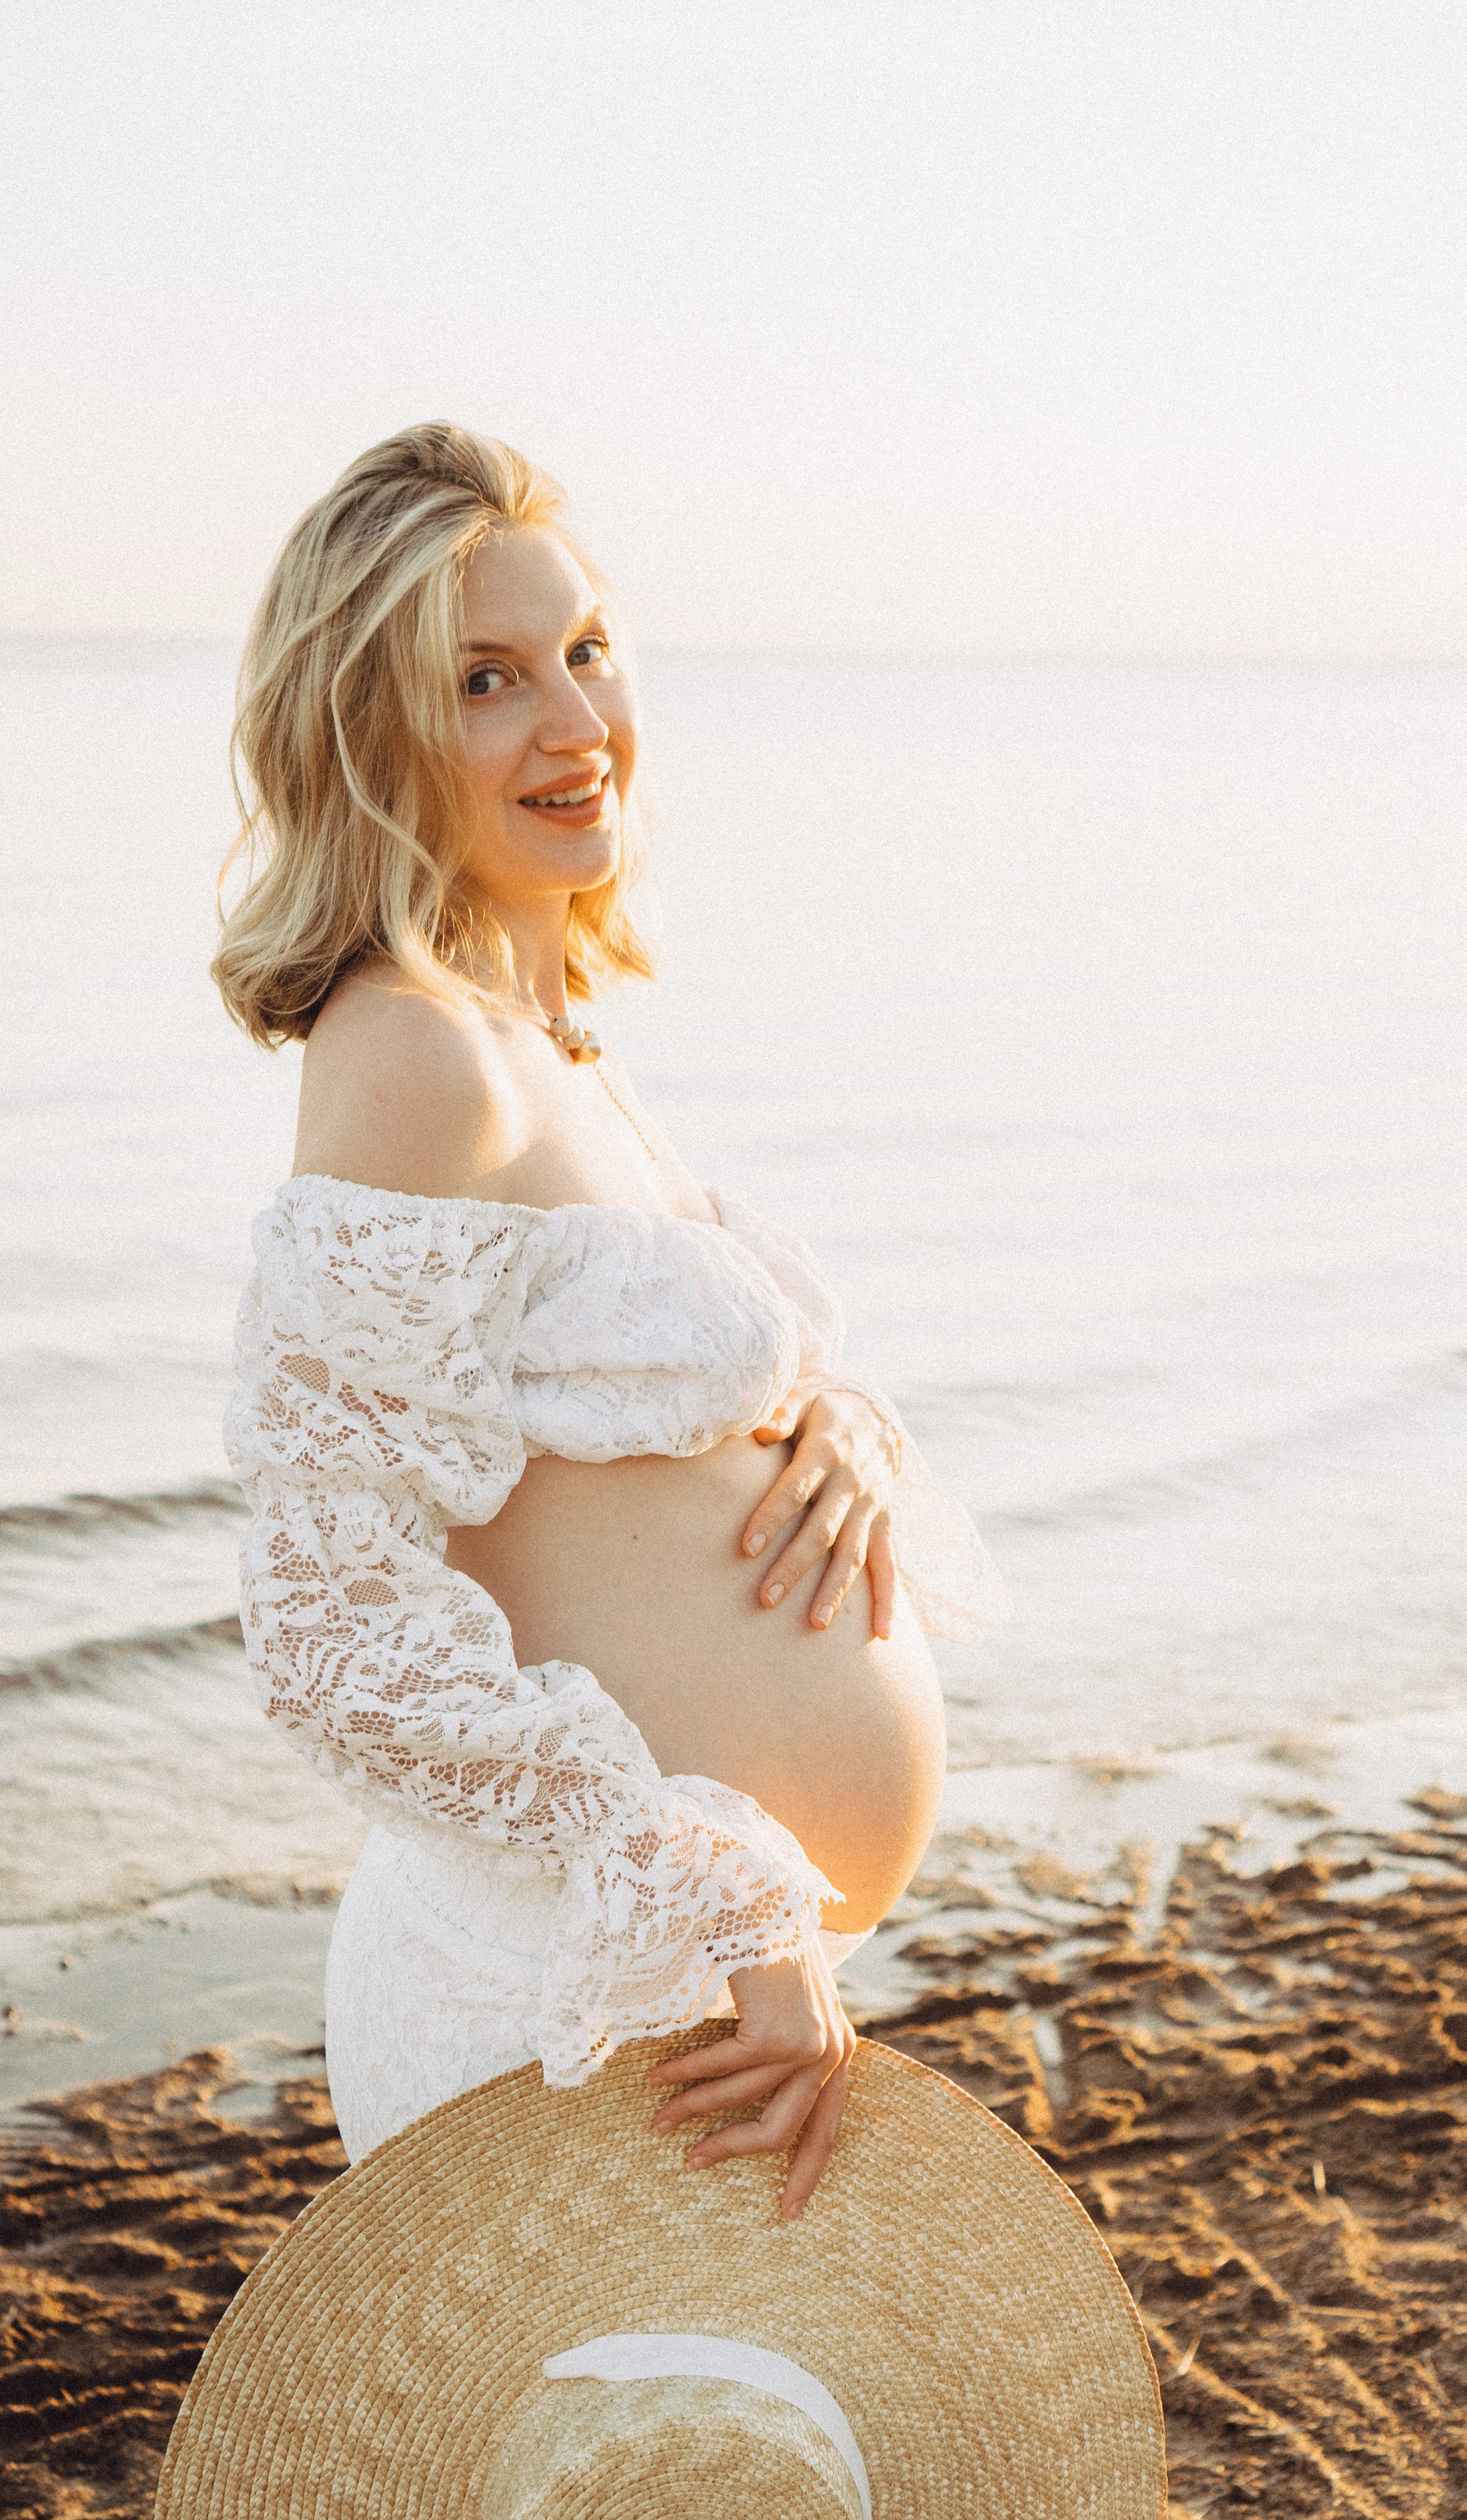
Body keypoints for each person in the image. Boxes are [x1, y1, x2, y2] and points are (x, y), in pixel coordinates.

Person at [215, 423, 1006, 2218]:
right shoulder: (413, 1056)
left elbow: (622, 1426)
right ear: (368, 740)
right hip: (572, 1988)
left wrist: (834, 1425)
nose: (576, 723)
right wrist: (716, 1898)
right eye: (484, 680)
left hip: (666, 1984)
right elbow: (334, 1626)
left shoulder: (550, 1042)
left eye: (585, 649)